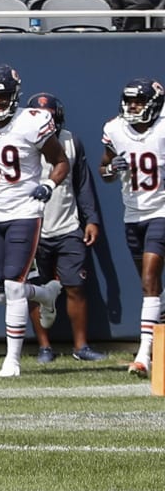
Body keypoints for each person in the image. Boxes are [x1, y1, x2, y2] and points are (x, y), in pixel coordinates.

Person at [0, 64, 69, 378]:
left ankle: (12, 360)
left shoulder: (32, 123)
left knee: (13, 285)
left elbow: (60, 161)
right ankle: (45, 293)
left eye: (3, 95)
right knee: (0, 292)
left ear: (15, 94)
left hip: (25, 211)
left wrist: (48, 184)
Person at [24, 92, 106, 365]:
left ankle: (80, 345)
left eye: (52, 118)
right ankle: (44, 346)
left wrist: (91, 218)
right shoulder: (21, 141)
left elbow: (82, 183)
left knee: (76, 286)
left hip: (68, 225)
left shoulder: (71, 141)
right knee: (35, 287)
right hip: (33, 225)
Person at [99, 77, 165, 378]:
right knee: (151, 289)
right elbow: (104, 170)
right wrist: (112, 169)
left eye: (138, 101)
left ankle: (143, 355)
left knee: (150, 280)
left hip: (161, 211)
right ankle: (158, 327)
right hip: (133, 215)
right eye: (129, 101)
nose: (133, 106)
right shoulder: (115, 129)